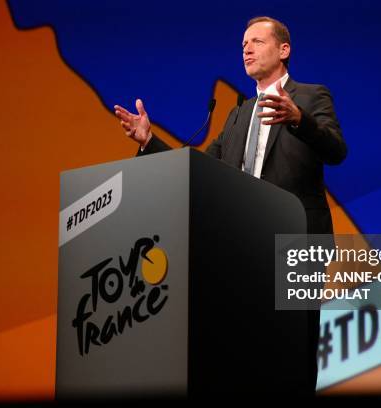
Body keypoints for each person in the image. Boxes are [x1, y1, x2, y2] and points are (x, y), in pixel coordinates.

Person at [114, 16, 347, 395]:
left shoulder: (310, 96)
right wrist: (149, 141)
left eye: (256, 41)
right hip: (245, 249)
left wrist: (300, 120)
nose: (247, 49)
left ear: (284, 50)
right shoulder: (238, 115)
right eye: (243, 45)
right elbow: (200, 171)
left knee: (295, 354)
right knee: (249, 356)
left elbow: (336, 150)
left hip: (297, 244)